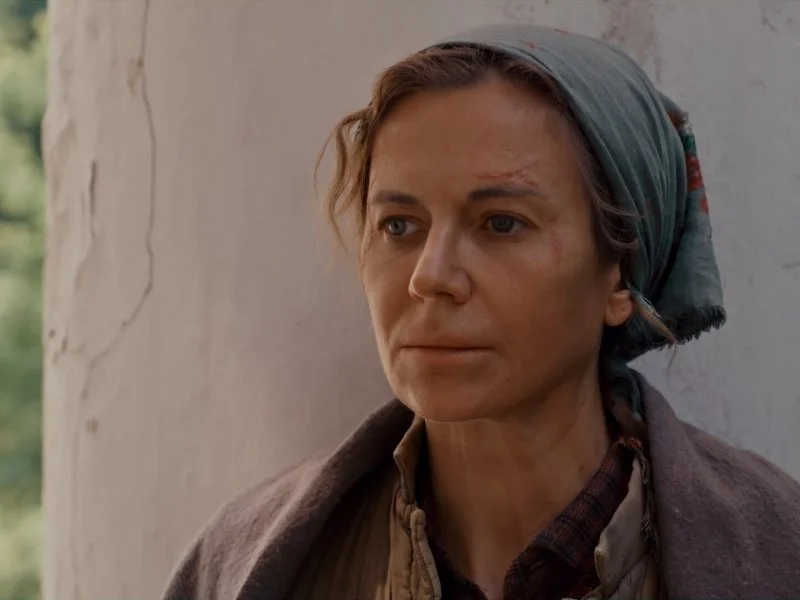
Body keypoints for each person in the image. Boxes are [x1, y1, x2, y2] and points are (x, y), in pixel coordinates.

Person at [161, 24, 800, 600]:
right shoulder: (241, 565)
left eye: (500, 223)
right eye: (398, 225)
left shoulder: (779, 554)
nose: (429, 277)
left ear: (619, 276)